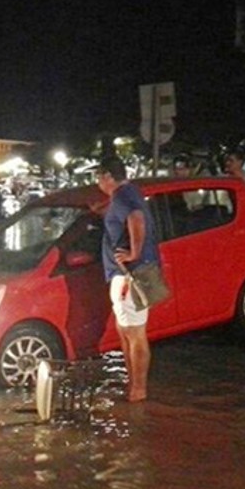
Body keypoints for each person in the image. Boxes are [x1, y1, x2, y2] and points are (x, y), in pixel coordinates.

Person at [97, 157, 160, 402]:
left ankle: (138, 389)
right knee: (126, 330)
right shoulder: (129, 193)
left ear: (108, 177)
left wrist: (134, 253)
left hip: (130, 275)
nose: (98, 182)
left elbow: (136, 218)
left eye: (100, 177)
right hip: (131, 273)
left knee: (134, 332)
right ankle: (133, 385)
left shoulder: (123, 197)